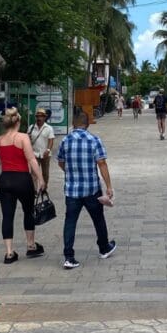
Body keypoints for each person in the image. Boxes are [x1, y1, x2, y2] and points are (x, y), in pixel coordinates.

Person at [57, 111, 116, 270]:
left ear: (73, 124)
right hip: (91, 189)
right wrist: (109, 186)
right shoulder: (94, 140)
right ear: (88, 123)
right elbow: (102, 163)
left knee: (70, 222)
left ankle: (69, 257)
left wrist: (70, 173)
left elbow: (60, 162)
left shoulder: (65, 141)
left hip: (72, 190)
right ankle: (104, 247)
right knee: (98, 219)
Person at [0, 107, 45, 264]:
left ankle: (9, 253)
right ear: (18, 122)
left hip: (5, 179)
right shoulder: (23, 138)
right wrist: (41, 179)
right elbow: (31, 160)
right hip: (22, 179)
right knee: (28, 211)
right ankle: (30, 245)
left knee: (7, 216)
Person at [28, 109, 55, 190]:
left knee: (45, 173)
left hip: (45, 154)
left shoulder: (49, 128)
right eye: (37, 116)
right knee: (34, 173)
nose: (39, 118)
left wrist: (48, 150)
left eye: (41, 116)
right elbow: (28, 139)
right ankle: (34, 189)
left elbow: (51, 140)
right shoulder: (31, 127)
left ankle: (44, 188)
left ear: (44, 118)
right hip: (34, 154)